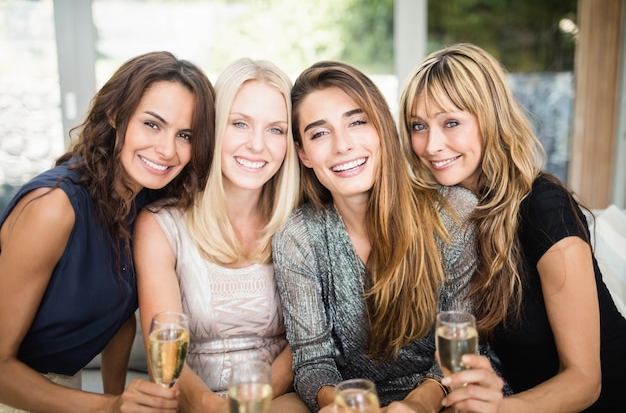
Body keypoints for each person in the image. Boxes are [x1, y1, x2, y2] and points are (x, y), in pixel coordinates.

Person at [399, 42, 626, 413]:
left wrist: (499, 409)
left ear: (489, 119)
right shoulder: (444, 214)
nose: (431, 145)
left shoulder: (544, 207)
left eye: (451, 122)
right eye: (418, 126)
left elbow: (586, 381)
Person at [271, 60, 504, 413]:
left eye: (357, 122)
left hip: (448, 397)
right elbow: (312, 362)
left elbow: (461, 345)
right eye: (320, 133)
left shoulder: (454, 212)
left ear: (382, 127)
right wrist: (345, 404)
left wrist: (416, 406)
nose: (343, 145)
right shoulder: (298, 236)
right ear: (303, 152)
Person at [0, 51, 216, 413]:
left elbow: (117, 317)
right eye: (152, 124)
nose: (166, 149)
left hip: (66, 385)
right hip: (17, 389)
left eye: (185, 135)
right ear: (116, 114)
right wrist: (111, 406)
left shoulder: (146, 199)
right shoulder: (52, 208)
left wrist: (117, 397)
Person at [134, 57, 309, 413]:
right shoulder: (160, 225)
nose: (257, 145)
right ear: (213, 128)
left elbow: (307, 346)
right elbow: (164, 355)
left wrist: (244, 403)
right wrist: (209, 406)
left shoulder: (300, 224)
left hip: (279, 400)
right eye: (240, 124)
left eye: (275, 130)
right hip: (194, 404)